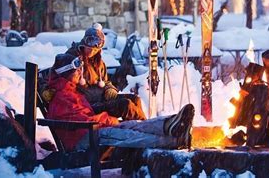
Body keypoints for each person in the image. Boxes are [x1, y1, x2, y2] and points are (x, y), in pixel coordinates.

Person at [47, 53, 194, 151]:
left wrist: (108, 119)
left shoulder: (70, 91)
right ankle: (173, 141)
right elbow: (83, 121)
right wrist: (108, 119)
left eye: (80, 69)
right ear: (66, 74)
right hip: (83, 139)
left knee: (132, 125)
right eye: (76, 71)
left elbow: (87, 116)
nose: (80, 72)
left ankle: (170, 124)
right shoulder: (62, 97)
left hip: (92, 130)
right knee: (128, 135)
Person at [65, 23, 146, 120]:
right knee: (125, 105)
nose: (92, 52)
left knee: (135, 99)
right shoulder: (72, 59)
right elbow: (54, 76)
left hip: (102, 98)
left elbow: (105, 81)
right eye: (89, 49)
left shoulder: (98, 63)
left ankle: (139, 126)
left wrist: (109, 89)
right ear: (83, 43)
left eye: (95, 50)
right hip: (88, 105)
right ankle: (146, 125)